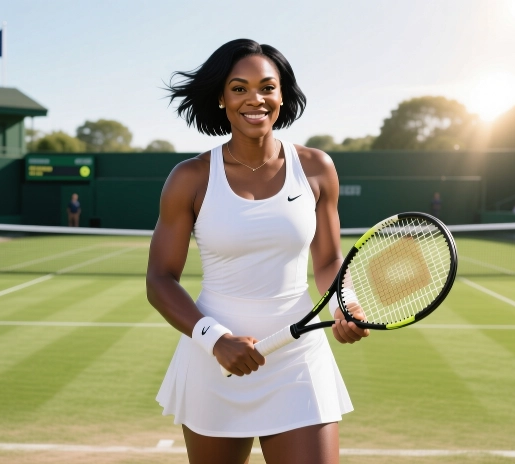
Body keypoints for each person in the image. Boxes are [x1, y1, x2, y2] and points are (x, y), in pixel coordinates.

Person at [147, 39, 368, 464]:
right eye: (239, 88)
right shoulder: (190, 177)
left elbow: (327, 260)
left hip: (298, 358)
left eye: (267, 87)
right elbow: (159, 279)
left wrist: (345, 303)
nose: (255, 99)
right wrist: (215, 339)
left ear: (282, 96)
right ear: (221, 98)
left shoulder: (317, 168)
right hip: (215, 362)